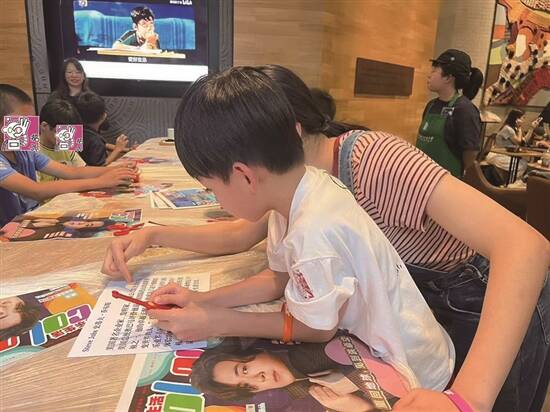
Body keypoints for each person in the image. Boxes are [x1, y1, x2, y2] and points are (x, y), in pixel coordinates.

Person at [102, 65, 550, 412]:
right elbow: (264, 257)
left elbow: (526, 246)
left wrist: (466, 400)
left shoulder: (361, 171)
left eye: (210, 189)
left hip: (483, 306)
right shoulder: (299, 190)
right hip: (408, 332)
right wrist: (197, 294)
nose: (214, 200)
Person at [0, 84, 137, 227]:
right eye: (21, 122)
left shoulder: (26, 151)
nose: (30, 128)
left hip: (31, 219)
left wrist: (117, 169)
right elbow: (36, 190)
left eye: (31, 121)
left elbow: (72, 171)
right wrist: (102, 181)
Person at [190, 335, 403, 411]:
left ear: (254, 351)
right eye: (247, 386)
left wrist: (359, 401)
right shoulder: (302, 399)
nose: (258, 379)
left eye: (244, 369)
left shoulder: (309, 353)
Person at [417, 49, 484, 178]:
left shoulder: (465, 110)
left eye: (434, 70)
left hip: (447, 182)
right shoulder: (431, 105)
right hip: (422, 178)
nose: (429, 75)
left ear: (448, 77)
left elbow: (470, 154)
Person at [48, 57, 125, 144]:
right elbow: (50, 124)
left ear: (83, 75)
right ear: (64, 76)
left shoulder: (91, 97)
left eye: (78, 72)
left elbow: (104, 125)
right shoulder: (56, 97)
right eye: (69, 72)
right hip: (65, 143)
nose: (74, 75)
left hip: (91, 143)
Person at [485, 109, 542, 181]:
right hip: (497, 155)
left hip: (504, 155)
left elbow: (523, 142)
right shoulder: (508, 129)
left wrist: (531, 128)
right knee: (522, 165)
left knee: (523, 163)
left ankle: (511, 182)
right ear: (516, 119)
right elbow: (519, 142)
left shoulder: (513, 129)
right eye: (523, 118)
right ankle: (511, 182)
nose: (523, 121)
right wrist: (520, 129)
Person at [38, 99, 86, 182]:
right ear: (44, 126)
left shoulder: (65, 146)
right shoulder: (32, 152)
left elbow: (83, 172)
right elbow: (34, 187)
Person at [76, 92, 129, 166]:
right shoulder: (95, 141)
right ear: (104, 116)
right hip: (88, 173)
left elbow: (102, 145)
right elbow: (100, 166)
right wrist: (117, 149)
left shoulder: (73, 132)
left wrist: (125, 149)